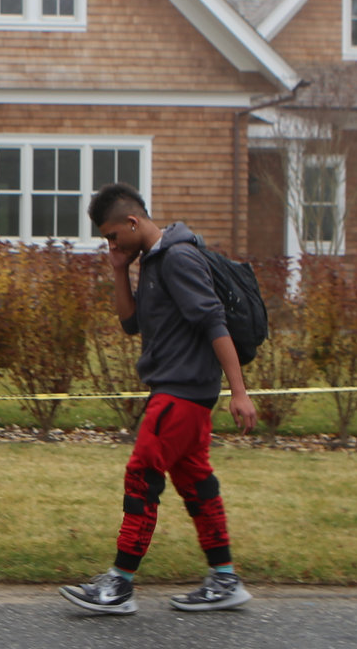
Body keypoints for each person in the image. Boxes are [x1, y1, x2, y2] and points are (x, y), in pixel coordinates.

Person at [61, 183, 260, 617]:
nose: (111, 244)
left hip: (181, 391)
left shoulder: (178, 258)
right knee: (195, 483)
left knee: (141, 475)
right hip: (179, 389)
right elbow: (131, 324)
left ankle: (118, 584)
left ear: (133, 222)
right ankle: (224, 578)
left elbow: (214, 322)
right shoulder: (151, 259)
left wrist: (239, 392)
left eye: (113, 236)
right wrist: (118, 269)